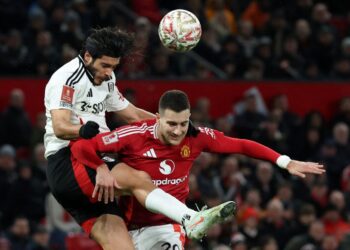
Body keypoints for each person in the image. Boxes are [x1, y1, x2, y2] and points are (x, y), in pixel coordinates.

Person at [44, 27, 233, 250]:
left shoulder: (107, 78)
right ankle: (190, 218)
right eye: (104, 65)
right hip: (69, 160)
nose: (108, 72)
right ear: (87, 56)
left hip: (88, 175)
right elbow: (60, 126)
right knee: (139, 178)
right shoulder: (66, 79)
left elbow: (131, 113)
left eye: (113, 67)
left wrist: (167, 123)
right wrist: (84, 132)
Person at [70, 90, 325, 250]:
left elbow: (241, 145)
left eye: (183, 123)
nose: (178, 131)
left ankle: (191, 219)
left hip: (167, 227)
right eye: (171, 123)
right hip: (127, 226)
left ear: (189, 116)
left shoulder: (197, 136)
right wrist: (101, 167)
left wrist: (284, 161)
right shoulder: (134, 134)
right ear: (157, 117)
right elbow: (82, 147)